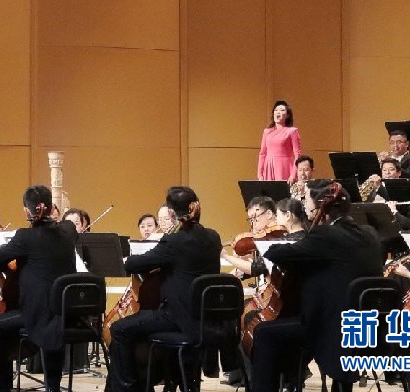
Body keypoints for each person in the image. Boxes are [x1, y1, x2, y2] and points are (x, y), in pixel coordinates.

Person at [251, 181, 383, 392]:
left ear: (322, 206)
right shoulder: (370, 234)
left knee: (264, 332)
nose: (305, 207)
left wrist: (268, 238)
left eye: (308, 202)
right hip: (369, 326)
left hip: (331, 328)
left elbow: (277, 253)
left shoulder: (325, 235)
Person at [109, 186, 224, 392]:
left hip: (178, 318)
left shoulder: (174, 241)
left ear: (171, 213)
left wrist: (126, 259)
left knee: (119, 329)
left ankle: (128, 387)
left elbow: (136, 264)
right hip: (206, 321)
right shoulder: (213, 237)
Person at [0, 184, 78, 392]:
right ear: (52, 208)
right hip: (68, 313)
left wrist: (9, 250)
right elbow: (64, 227)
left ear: (27, 211)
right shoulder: (69, 230)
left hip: (39, 314)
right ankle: (52, 386)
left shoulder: (25, 237)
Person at [257, 100, 302, 183]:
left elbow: (297, 155)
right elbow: (262, 153)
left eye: (282, 110)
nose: (278, 112)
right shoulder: (267, 132)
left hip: (284, 167)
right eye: (276, 110)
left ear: (287, 115)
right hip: (269, 167)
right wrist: (260, 174)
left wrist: (293, 174)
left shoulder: (292, 131)